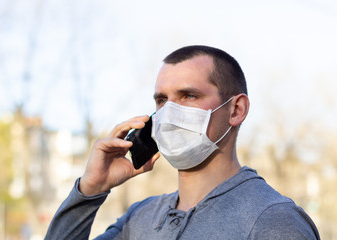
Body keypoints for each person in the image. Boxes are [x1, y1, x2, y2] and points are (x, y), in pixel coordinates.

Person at [45, 45, 320, 239]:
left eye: (188, 96)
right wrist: (90, 190)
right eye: (162, 100)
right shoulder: (141, 217)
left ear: (236, 110)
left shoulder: (274, 221)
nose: (168, 113)